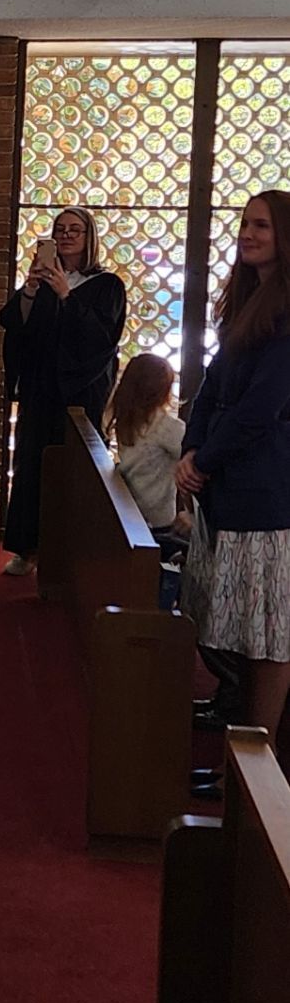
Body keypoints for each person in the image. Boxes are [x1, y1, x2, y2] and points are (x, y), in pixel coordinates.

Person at [175, 191, 290, 751]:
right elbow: (212, 387)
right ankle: (238, 744)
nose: (248, 233)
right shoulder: (249, 300)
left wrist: (206, 458)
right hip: (226, 488)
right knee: (236, 628)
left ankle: (256, 771)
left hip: (266, 494)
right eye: (245, 223)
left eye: (262, 225)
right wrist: (192, 449)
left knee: (268, 638)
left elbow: (260, 409)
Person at [0, 206, 126, 576]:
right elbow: (15, 327)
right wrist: (31, 289)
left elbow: (101, 340)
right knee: (32, 466)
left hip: (80, 393)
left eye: (75, 230)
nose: (67, 235)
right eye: (60, 230)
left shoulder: (107, 286)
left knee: (74, 471)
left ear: (89, 238)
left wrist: (67, 294)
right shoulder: (43, 283)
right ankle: (28, 548)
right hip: (42, 390)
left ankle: (72, 554)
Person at [109, 352, 187, 545]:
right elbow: (193, 462)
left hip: (129, 513)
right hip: (158, 522)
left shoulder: (125, 421)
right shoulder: (167, 427)